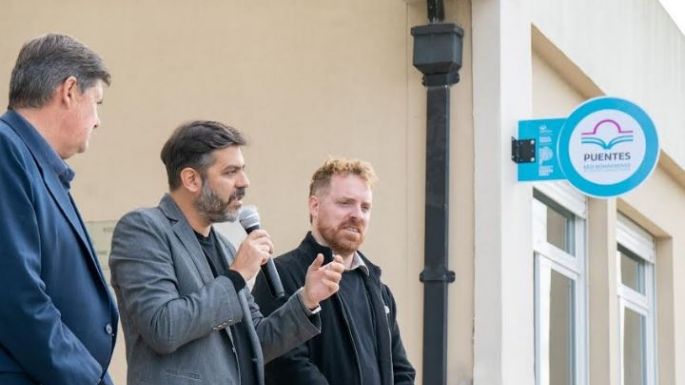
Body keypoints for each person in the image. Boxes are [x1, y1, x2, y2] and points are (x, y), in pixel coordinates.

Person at [108, 120, 345, 385]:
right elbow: (163, 327)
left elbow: (256, 341)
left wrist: (307, 299)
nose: (245, 182)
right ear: (191, 179)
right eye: (231, 172)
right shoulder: (143, 229)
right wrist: (236, 276)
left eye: (242, 170)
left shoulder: (224, 247)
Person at [0, 34, 118, 385]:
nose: (97, 121)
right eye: (96, 102)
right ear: (68, 91)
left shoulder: (32, 162)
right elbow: (16, 296)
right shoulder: (6, 151)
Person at [253, 158, 416, 385]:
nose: (357, 215)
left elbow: (401, 370)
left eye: (365, 207)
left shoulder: (379, 289)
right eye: (345, 203)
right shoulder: (278, 275)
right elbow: (285, 364)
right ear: (314, 206)